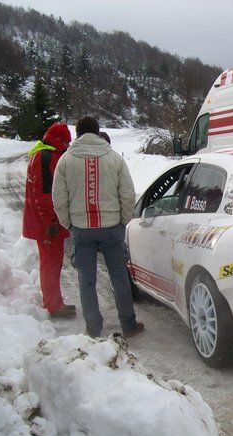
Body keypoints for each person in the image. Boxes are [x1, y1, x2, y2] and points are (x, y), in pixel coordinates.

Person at [52, 116, 143, 338]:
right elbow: (128, 194)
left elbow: (58, 198)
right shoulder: (114, 158)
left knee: (86, 279)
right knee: (119, 276)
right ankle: (129, 325)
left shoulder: (66, 160)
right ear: (98, 131)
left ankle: (93, 327)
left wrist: (69, 224)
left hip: (81, 228)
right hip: (111, 225)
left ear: (78, 134)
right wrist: (123, 220)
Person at [22, 123, 76, 318]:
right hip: (46, 224)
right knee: (51, 263)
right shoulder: (45, 158)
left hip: (45, 222)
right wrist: (51, 222)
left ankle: (54, 301)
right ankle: (53, 305)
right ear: (59, 141)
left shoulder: (46, 155)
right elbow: (44, 194)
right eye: (66, 142)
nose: (68, 147)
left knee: (53, 261)